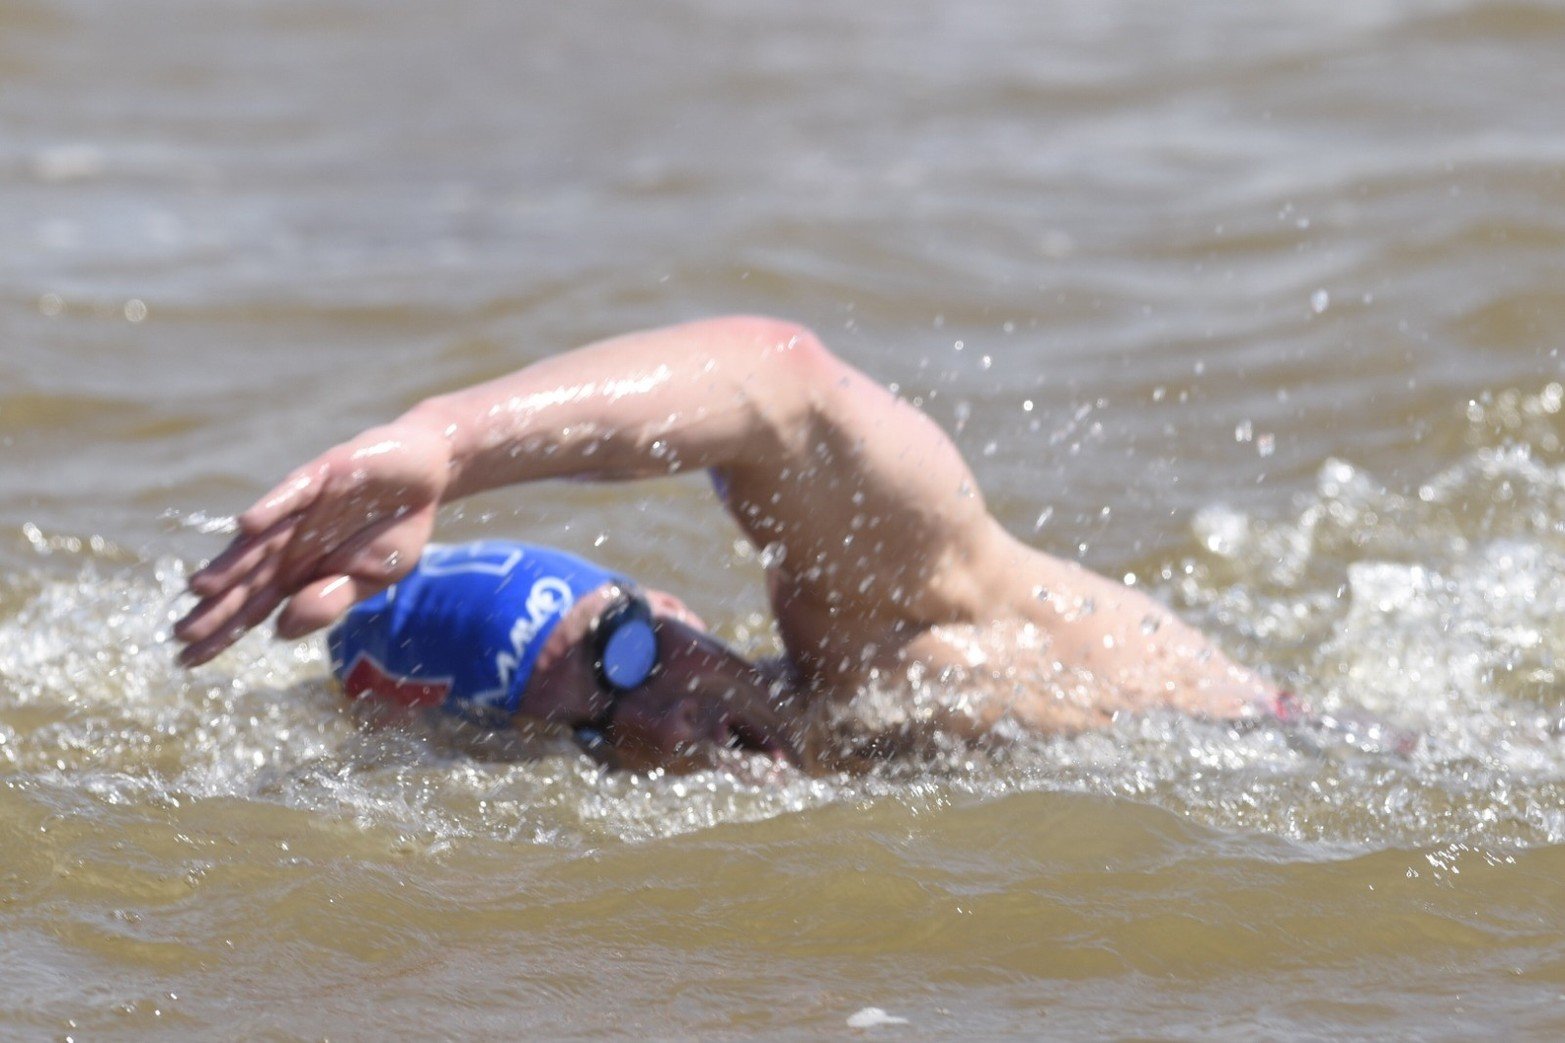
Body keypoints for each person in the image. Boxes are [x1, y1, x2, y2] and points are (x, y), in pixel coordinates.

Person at [174, 316, 1279, 771]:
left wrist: (447, 441)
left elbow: (779, 386)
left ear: (669, 604)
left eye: (626, 652)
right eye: (595, 735)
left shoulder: (881, 635)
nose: (659, 710)